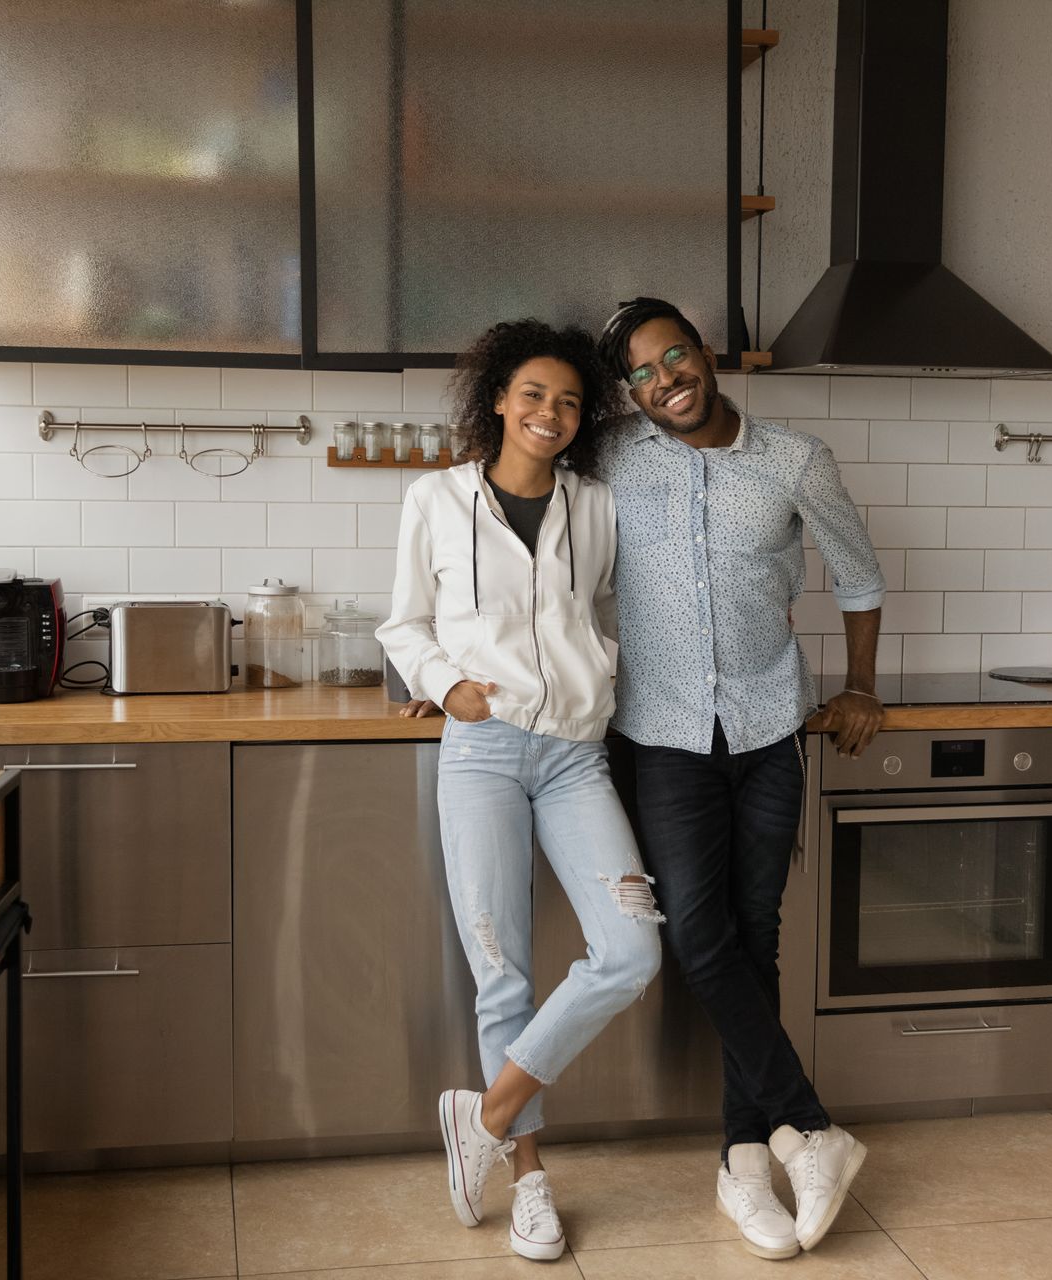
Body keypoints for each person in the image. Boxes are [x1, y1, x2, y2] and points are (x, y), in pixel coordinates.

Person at [594, 296, 886, 1260]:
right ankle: (811, 1123)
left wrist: (861, 688)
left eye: (673, 356)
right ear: (630, 392)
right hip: (661, 733)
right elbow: (522, 543)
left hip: (768, 726)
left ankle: (743, 1160)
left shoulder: (795, 459)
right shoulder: (607, 461)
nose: (663, 379)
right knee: (700, 937)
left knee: (754, 938)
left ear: (704, 355)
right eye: (641, 372)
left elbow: (858, 576)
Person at [378, 318, 663, 1264]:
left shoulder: (598, 506)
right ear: (497, 398)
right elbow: (404, 622)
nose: (551, 413)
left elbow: (613, 610)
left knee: (630, 948)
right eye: (534, 394)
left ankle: (486, 1115)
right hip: (485, 751)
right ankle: (530, 1181)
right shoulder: (435, 498)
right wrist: (441, 684)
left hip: (578, 755)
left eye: (570, 401)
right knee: (502, 969)